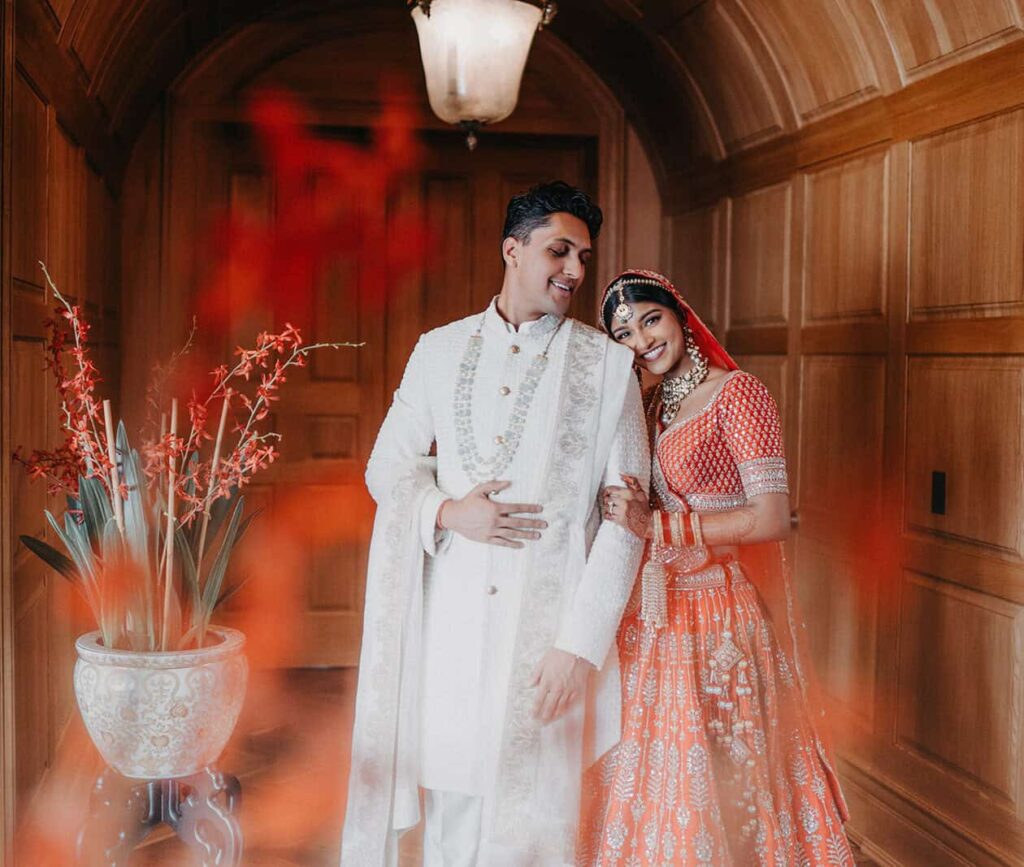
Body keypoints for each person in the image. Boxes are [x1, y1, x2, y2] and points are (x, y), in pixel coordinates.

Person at [341, 183, 650, 866]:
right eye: (558, 250)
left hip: (551, 638)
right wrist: (450, 512)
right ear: (513, 249)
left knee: (541, 825)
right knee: (453, 815)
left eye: (583, 256)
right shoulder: (438, 350)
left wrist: (580, 647)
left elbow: (628, 520)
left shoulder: (609, 367)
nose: (574, 270)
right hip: (451, 625)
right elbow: (385, 468)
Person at [578, 269, 852, 866]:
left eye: (650, 320)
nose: (641, 341)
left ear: (679, 314)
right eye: (622, 333)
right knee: (641, 767)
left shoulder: (739, 394)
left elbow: (774, 517)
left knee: (724, 768)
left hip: (715, 618)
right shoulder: (643, 402)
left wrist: (659, 526)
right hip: (648, 612)